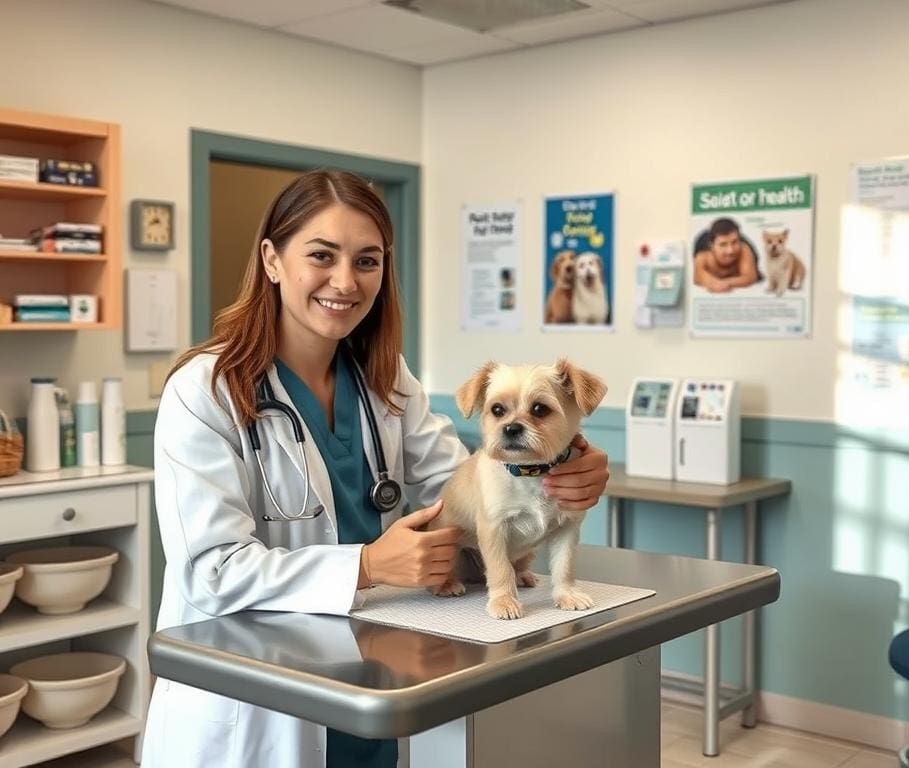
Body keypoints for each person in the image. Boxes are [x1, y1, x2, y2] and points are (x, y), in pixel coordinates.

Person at [140, 169, 610, 768]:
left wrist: (566, 459)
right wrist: (364, 565)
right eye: (321, 255)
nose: (345, 281)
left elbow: (460, 486)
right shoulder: (204, 392)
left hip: (368, 682)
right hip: (257, 705)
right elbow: (210, 571)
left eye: (367, 260)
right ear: (272, 259)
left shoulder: (384, 378)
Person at [692, 217, 760, 293]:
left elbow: (750, 278)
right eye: (723, 245)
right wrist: (713, 283)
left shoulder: (744, 249)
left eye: (734, 242)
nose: (730, 251)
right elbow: (698, 277)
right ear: (711, 245)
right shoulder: (703, 256)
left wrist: (726, 283)